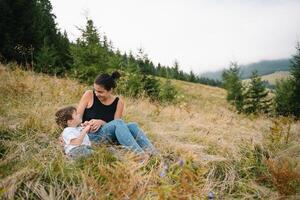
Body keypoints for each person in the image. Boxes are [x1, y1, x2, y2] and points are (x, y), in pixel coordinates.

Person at [76, 71, 157, 155]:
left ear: (110, 90)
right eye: (95, 90)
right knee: (119, 123)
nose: (96, 94)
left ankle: (156, 156)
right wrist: (85, 124)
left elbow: (117, 127)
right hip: (89, 135)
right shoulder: (89, 94)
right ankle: (141, 156)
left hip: (107, 136)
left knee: (133, 125)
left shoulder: (118, 103)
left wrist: (102, 122)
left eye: (100, 92)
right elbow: (77, 119)